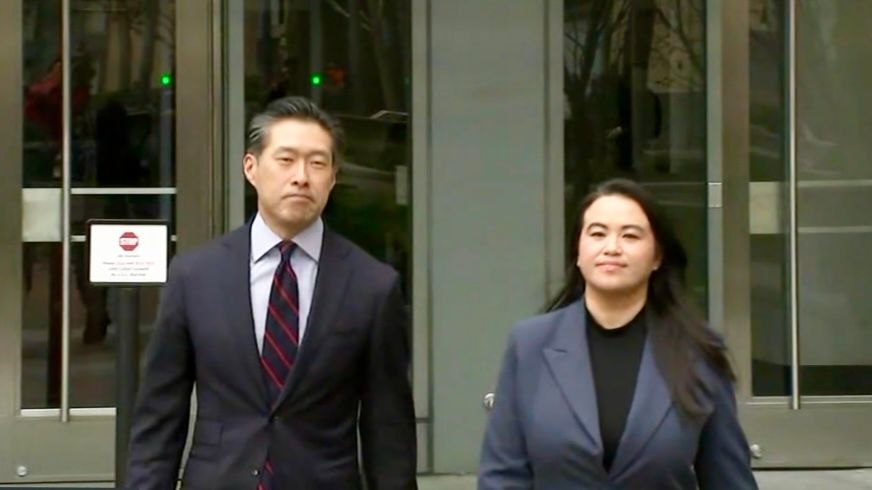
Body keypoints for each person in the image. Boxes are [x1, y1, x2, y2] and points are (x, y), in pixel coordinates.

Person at [126, 96, 417, 489]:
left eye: (317, 163)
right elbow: (160, 417)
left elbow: (389, 431)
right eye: (286, 160)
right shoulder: (194, 276)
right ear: (251, 168)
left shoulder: (372, 286)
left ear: (332, 178)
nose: (301, 176)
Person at [478, 178, 757, 489]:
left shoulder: (698, 351)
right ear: (578, 252)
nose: (612, 248)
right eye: (597, 234)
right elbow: (502, 476)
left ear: (656, 257)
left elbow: (729, 479)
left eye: (630, 235)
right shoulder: (529, 344)